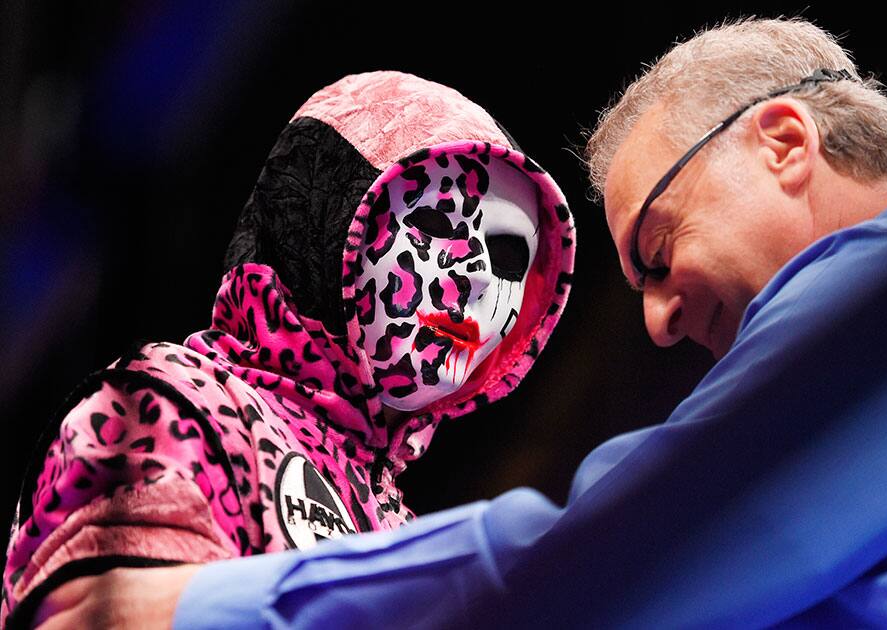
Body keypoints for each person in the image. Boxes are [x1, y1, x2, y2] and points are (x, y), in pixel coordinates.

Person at [22, 16, 887, 628]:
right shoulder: (176, 398)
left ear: (784, 144)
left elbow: (639, 538)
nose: (658, 322)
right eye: (441, 235)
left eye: (656, 251)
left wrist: (211, 608)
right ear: (328, 212)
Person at [0, 71, 576, 629]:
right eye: (432, 220)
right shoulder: (168, 402)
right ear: (328, 217)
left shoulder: (396, 522)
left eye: (507, 256)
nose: (474, 277)